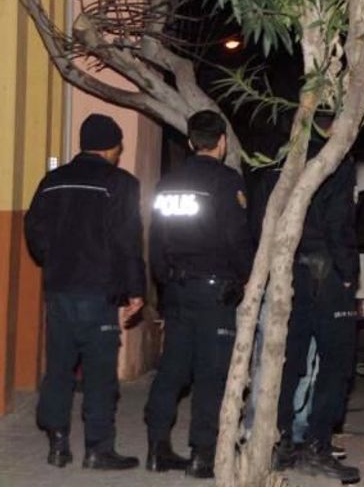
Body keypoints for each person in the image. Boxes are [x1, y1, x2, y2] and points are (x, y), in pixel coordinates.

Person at [25, 114, 146, 470]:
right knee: (99, 373)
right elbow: (128, 241)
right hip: (99, 292)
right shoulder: (121, 183)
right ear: (110, 147)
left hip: (60, 289)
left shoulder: (52, 181)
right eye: (119, 147)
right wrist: (135, 290)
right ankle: (98, 449)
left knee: (59, 367)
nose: (119, 154)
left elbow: (34, 230)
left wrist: (53, 259)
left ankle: (57, 442)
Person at [143, 111, 254, 479]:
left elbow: (156, 240)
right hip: (214, 292)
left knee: (172, 368)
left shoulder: (168, 184)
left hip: (177, 289)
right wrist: (246, 276)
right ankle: (202, 454)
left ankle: (157, 447)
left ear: (191, 142)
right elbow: (236, 238)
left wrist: (165, 281)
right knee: (211, 373)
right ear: (222, 142)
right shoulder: (226, 181)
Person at [268, 118, 361, 484]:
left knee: (289, 362)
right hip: (326, 275)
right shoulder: (337, 160)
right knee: (336, 365)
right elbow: (338, 223)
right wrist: (349, 272)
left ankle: (281, 442)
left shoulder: (285, 157)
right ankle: (317, 446)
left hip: (290, 271)